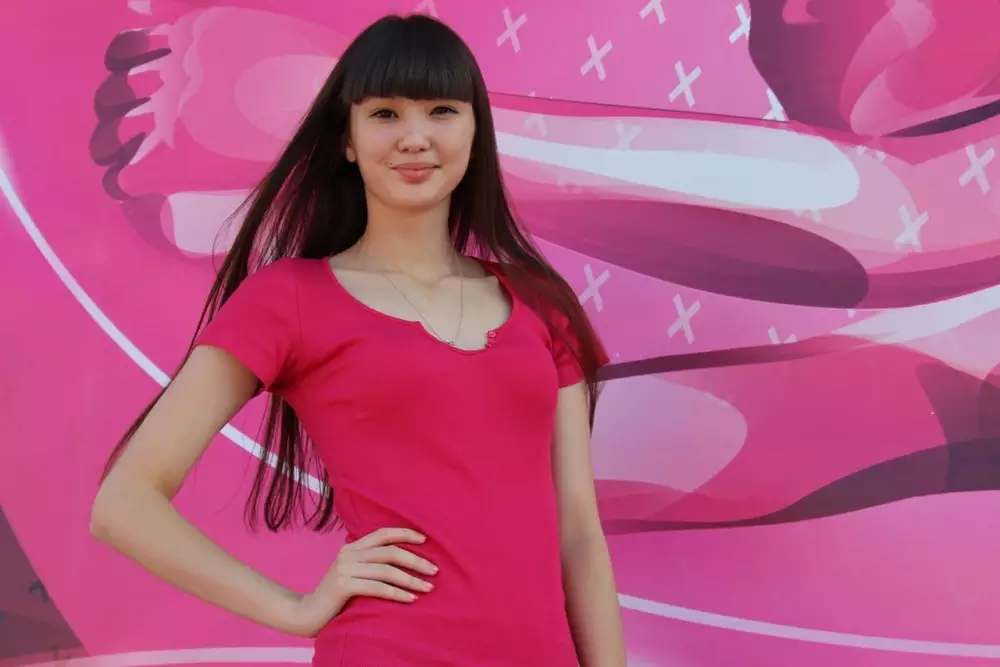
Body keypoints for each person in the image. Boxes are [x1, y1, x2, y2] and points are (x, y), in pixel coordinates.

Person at [90, 13, 627, 667]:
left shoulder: (543, 303)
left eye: (441, 111)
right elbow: (123, 503)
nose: (415, 137)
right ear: (347, 138)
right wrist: (294, 609)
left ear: (474, 129)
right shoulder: (290, 299)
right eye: (384, 114)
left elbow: (579, 535)